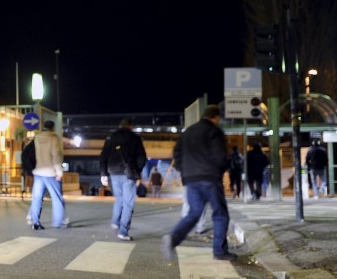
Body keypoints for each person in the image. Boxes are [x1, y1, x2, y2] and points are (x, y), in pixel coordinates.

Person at [162, 104, 236, 261]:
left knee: (194, 213)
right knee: (220, 214)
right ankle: (220, 251)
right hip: (210, 178)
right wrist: (219, 170)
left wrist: (185, 172)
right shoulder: (214, 131)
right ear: (216, 117)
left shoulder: (188, 132)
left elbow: (177, 154)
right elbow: (220, 156)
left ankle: (173, 238)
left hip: (192, 180)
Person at [99, 117, 147, 241]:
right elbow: (142, 157)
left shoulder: (110, 138)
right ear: (130, 126)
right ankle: (123, 231)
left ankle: (115, 222)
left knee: (119, 199)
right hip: (128, 173)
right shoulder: (135, 138)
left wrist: (103, 174)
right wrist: (138, 172)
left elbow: (103, 156)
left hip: (113, 173)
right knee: (128, 203)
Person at [28, 120, 67, 230]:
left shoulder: (37, 138)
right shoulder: (54, 138)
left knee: (36, 198)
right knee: (57, 198)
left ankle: (35, 222)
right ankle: (58, 222)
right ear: (53, 128)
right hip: (51, 172)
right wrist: (59, 171)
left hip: (39, 171)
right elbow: (56, 156)